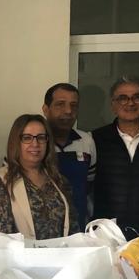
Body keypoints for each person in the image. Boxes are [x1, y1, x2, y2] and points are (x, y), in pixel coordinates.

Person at [91, 76, 139, 237]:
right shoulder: (96, 139)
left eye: (137, 97)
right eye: (123, 98)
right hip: (107, 231)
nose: (130, 103)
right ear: (113, 105)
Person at [0, 114, 77, 239]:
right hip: (21, 251)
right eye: (27, 138)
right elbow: (2, 235)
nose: (35, 144)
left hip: (62, 250)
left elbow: (73, 228)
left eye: (41, 137)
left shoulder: (58, 179)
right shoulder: (1, 180)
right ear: (16, 142)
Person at [42, 82, 95, 230]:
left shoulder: (86, 141)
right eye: (60, 104)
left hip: (78, 228)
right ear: (45, 109)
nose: (68, 111)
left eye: (74, 105)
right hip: (42, 230)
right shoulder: (34, 143)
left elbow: (89, 185)